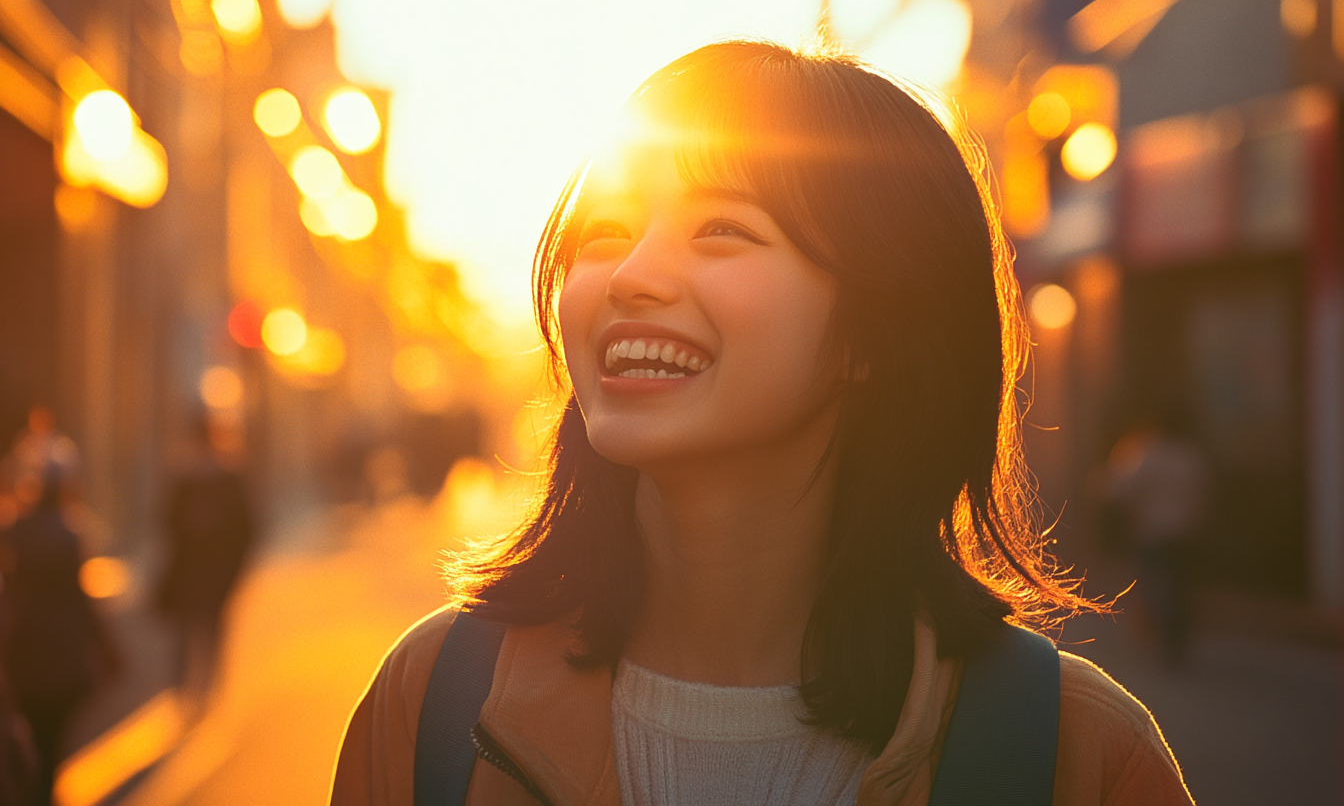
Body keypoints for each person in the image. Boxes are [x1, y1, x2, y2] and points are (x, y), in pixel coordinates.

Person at [331, 42, 1193, 805]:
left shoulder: (1072, 754)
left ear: (873, 332)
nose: (632, 276)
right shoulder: (437, 698)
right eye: (606, 230)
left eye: (722, 229)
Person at [0, 471, 119, 806]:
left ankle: (33, 788)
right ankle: (42, 790)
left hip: (23, 657)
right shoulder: (71, 534)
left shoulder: (14, 533)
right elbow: (84, 599)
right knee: (51, 737)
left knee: (30, 731)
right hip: (64, 658)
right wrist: (108, 648)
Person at [154, 414, 255, 697]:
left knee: (186, 626)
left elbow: (167, 523)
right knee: (212, 625)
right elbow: (246, 529)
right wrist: (236, 566)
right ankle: (209, 687)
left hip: (190, 566)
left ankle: (184, 688)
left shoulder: (184, 478)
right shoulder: (227, 477)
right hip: (217, 567)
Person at [1105, 415, 1210, 666]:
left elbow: (1121, 489)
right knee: (1182, 586)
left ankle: (1156, 634)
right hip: (1187, 533)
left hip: (1153, 532)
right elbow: (1206, 494)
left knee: (1153, 584)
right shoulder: (1192, 457)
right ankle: (1178, 640)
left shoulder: (1149, 454)